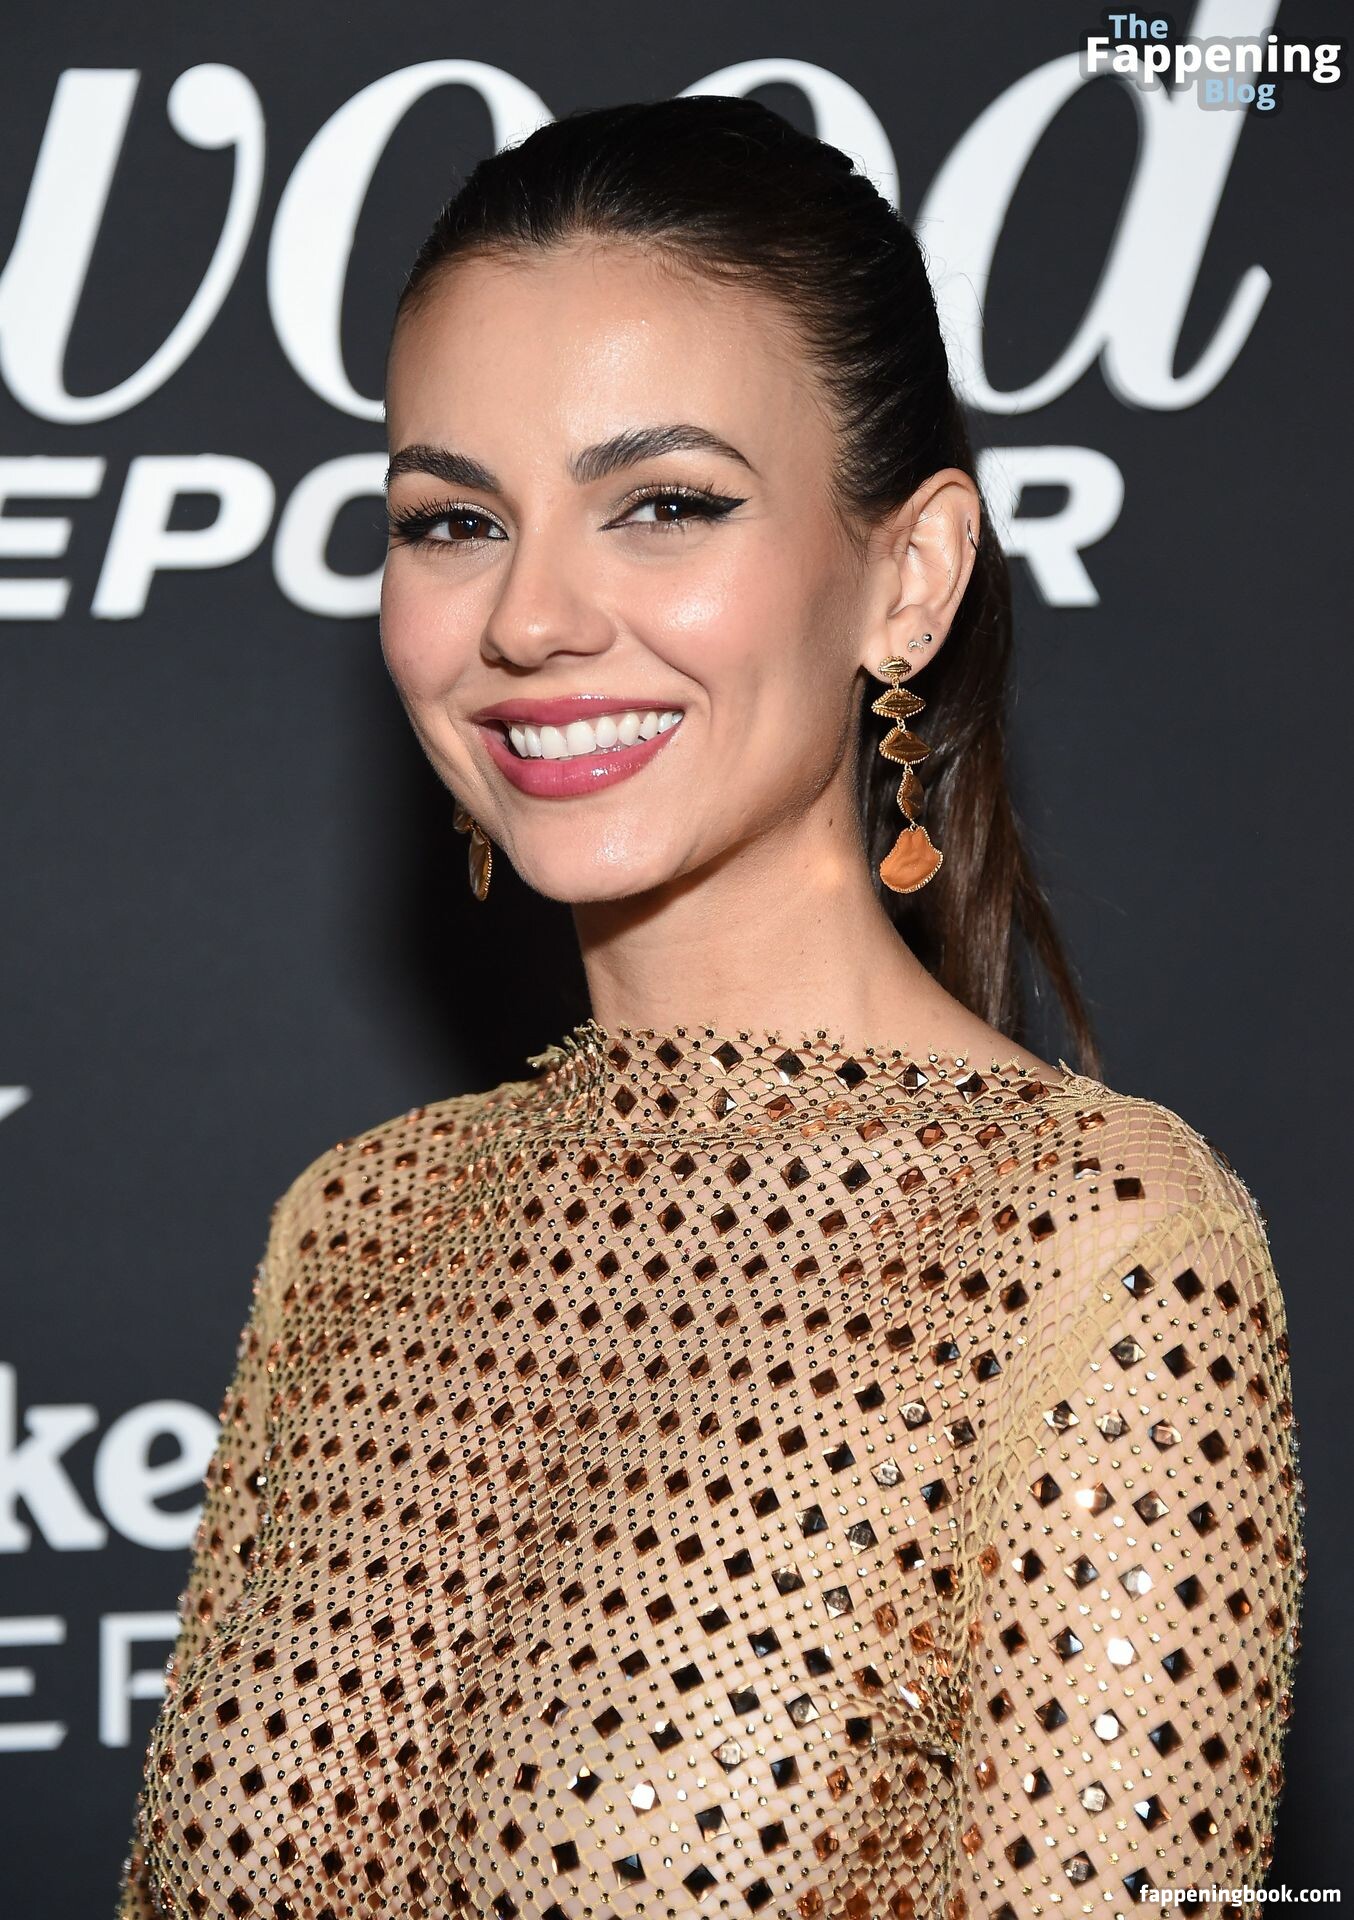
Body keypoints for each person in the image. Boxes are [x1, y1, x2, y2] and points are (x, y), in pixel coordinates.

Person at [117, 96, 1305, 1918]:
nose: (528, 619)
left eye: (663, 505)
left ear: (906, 577)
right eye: (452, 521)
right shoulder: (356, 1228)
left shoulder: (1097, 1255)